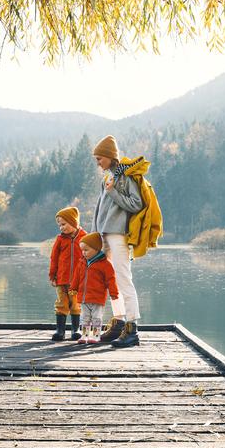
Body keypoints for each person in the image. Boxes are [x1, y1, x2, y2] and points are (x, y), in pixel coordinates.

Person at [91, 135, 143, 347]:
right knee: (111, 282)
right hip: (104, 236)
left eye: (100, 158)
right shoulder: (107, 179)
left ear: (110, 157)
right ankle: (119, 323)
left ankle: (133, 329)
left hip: (119, 236)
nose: (97, 162)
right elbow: (99, 209)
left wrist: (113, 193)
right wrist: (95, 233)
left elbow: (136, 204)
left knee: (124, 280)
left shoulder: (125, 178)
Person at [68, 232, 119, 344]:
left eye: (86, 250)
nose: (83, 253)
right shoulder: (82, 262)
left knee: (96, 318)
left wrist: (113, 293)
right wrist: (73, 287)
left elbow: (111, 279)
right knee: (84, 318)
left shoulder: (105, 264)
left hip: (97, 297)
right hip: (83, 297)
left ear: (96, 249)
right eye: (82, 250)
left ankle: (96, 336)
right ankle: (84, 335)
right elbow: (76, 277)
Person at [49, 206, 87, 341]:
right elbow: (54, 258)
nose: (61, 227)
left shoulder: (84, 238)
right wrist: (52, 275)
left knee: (76, 304)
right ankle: (60, 331)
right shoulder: (60, 239)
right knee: (61, 304)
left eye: (64, 224)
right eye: (59, 225)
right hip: (61, 279)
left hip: (78, 281)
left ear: (74, 222)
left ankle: (75, 329)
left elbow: (89, 259)